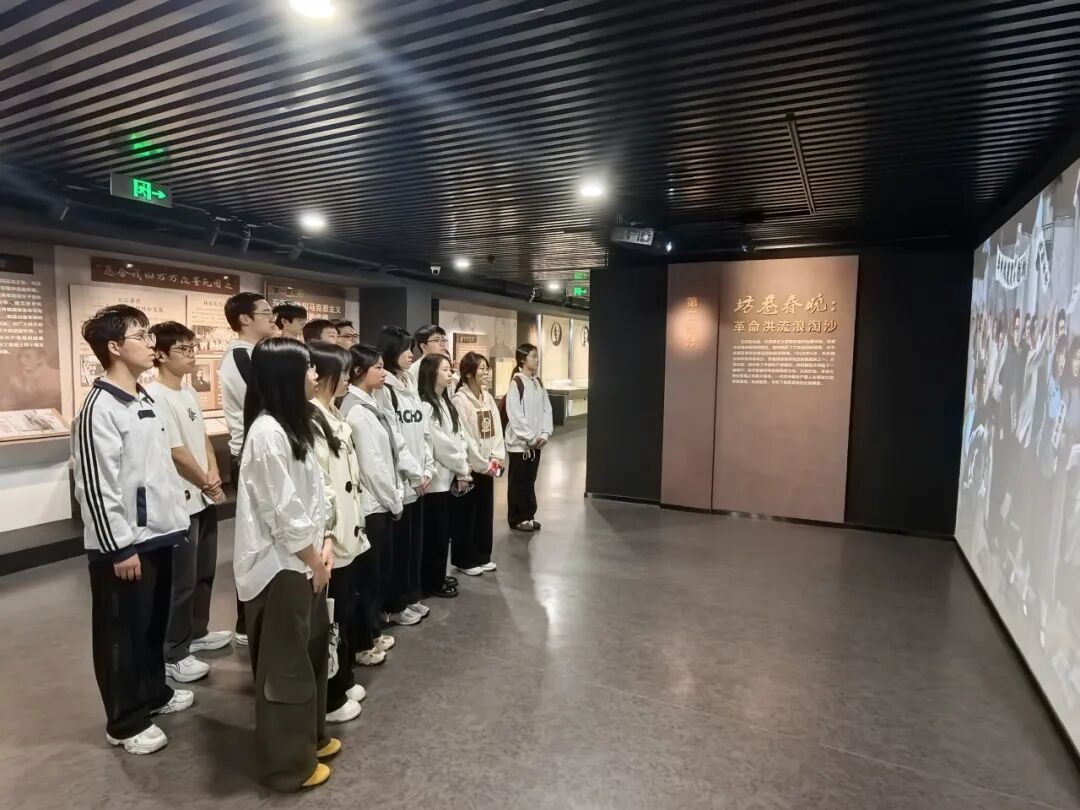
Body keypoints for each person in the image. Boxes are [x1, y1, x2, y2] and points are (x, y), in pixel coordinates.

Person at [72, 305, 193, 756]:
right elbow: (95, 486)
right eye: (140, 336)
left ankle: (153, 692)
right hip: (124, 546)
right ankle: (124, 721)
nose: (150, 344)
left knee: (150, 626)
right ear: (115, 347)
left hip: (158, 535)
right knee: (121, 634)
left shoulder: (143, 398)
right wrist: (119, 547)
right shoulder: (98, 408)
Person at [233, 337, 338, 791]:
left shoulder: (294, 425)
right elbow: (283, 512)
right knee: (285, 671)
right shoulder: (267, 434)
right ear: (286, 377)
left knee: (310, 655)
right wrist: (314, 557)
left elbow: (316, 493)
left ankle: (310, 738)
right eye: (308, 367)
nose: (315, 375)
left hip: (306, 562)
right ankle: (288, 766)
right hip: (280, 569)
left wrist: (326, 541)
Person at [147, 322, 231, 685]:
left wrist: (214, 474)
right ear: (160, 355)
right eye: (183, 349)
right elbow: (175, 451)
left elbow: (203, 439)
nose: (192, 354)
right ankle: (173, 651)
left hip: (202, 493)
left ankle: (197, 632)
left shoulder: (188, 392)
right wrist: (204, 481)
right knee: (181, 581)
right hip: (182, 497)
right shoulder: (156, 396)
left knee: (204, 570)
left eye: (192, 347)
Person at [307, 341, 370, 723]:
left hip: (349, 531)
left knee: (344, 610)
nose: (347, 378)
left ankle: (343, 677)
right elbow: (322, 487)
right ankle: (330, 694)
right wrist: (329, 534)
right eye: (342, 372)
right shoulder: (311, 420)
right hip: (332, 538)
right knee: (331, 617)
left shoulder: (332, 414)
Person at [219, 291, 277, 644]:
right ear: (244, 319)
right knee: (256, 540)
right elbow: (264, 399)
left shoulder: (254, 353)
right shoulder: (242, 356)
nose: (273, 319)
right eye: (266, 313)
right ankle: (248, 622)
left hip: (264, 451)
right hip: (252, 456)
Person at [341, 345, 402, 665]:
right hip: (371, 505)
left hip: (382, 500)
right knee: (367, 578)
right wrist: (393, 499)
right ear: (358, 372)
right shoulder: (356, 411)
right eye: (377, 367)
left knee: (379, 574)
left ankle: (373, 630)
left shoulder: (372, 402)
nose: (383, 372)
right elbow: (372, 465)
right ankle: (362, 641)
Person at [375, 326, 436, 624]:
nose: (410, 354)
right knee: (398, 549)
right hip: (402, 482)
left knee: (414, 546)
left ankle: (411, 597)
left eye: (411, 348)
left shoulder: (409, 381)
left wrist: (426, 468)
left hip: (419, 480)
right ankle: (395, 606)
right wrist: (413, 472)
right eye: (404, 348)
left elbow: (423, 431)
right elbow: (394, 438)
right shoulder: (383, 388)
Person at [417, 354, 471, 597]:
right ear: (432, 373)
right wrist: (462, 466)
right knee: (435, 535)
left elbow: (458, 436)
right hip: (435, 481)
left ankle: (438, 574)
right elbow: (440, 445)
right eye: (445, 370)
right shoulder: (427, 405)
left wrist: (462, 463)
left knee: (443, 533)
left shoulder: (445, 402)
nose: (450, 374)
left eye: (450, 370)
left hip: (448, 476)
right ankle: (432, 580)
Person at [451, 352, 505, 575]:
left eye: (486, 368)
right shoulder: (459, 400)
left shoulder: (488, 397)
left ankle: (483, 555)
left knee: (484, 513)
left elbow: (497, 429)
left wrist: (496, 457)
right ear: (468, 373)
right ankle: (465, 560)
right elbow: (464, 437)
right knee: (467, 515)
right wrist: (482, 463)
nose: (486, 372)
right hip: (470, 467)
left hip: (488, 466)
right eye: (481, 368)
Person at [505, 343, 553, 532]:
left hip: (535, 444)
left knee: (529, 481)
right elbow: (515, 415)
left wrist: (544, 433)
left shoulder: (537, 382)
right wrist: (530, 438)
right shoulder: (516, 383)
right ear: (522, 359)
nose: (537, 359)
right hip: (520, 445)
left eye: (537, 356)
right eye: (533, 356)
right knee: (518, 482)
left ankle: (528, 515)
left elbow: (547, 409)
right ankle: (517, 518)